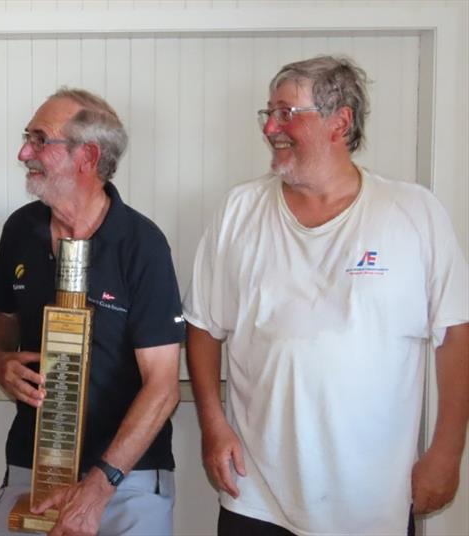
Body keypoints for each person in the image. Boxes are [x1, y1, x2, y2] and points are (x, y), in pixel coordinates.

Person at [183, 55, 469, 535]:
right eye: (267, 113)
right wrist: (214, 426)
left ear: (341, 121)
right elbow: (202, 327)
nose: (271, 126)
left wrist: (446, 451)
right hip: (257, 497)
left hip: (373, 499)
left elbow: (455, 337)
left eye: (287, 113)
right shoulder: (240, 209)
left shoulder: (414, 212)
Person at [0, 88, 185, 536]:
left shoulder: (142, 245)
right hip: (33, 466)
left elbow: (163, 387)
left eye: (39, 140)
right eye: (26, 138)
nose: (23, 153)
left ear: (87, 156)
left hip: (126, 476)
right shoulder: (20, 229)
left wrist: (98, 488)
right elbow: (2, 318)